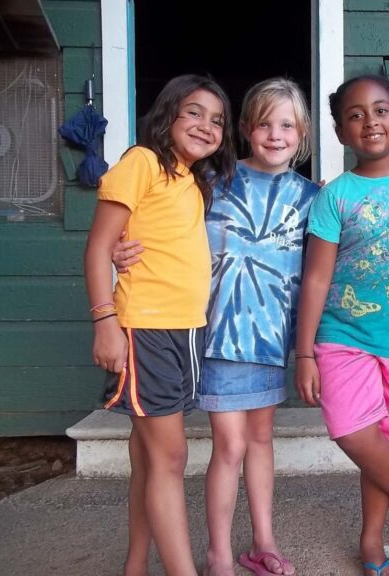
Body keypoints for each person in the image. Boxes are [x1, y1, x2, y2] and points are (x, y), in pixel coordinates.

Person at [113, 77, 317, 576]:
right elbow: (154, 218)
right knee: (229, 444)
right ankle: (218, 553)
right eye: (264, 123)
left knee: (262, 438)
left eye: (287, 125)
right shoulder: (211, 181)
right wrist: (119, 250)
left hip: (273, 338)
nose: (275, 134)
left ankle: (262, 541)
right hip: (217, 333)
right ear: (245, 130)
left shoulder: (314, 195)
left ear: (303, 133)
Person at [294, 74, 389, 576]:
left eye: (381, 111)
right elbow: (316, 280)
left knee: (386, 446)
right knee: (351, 429)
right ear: (340, 133)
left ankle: (372, 545)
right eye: (355, 115)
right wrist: (304, 353)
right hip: (343, 336)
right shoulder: (334, 196)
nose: (370, 122)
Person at [84, 74, 237, 576]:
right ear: (167, 114)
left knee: (150, 460)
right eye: (194, 112)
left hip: (185, 330)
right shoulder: (142, 162)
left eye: (217, 120)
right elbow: (98, 247)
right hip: (143, 330)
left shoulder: (193, 183)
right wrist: (106, 321)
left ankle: (135, 565)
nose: (206, 125)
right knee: (170, 459)